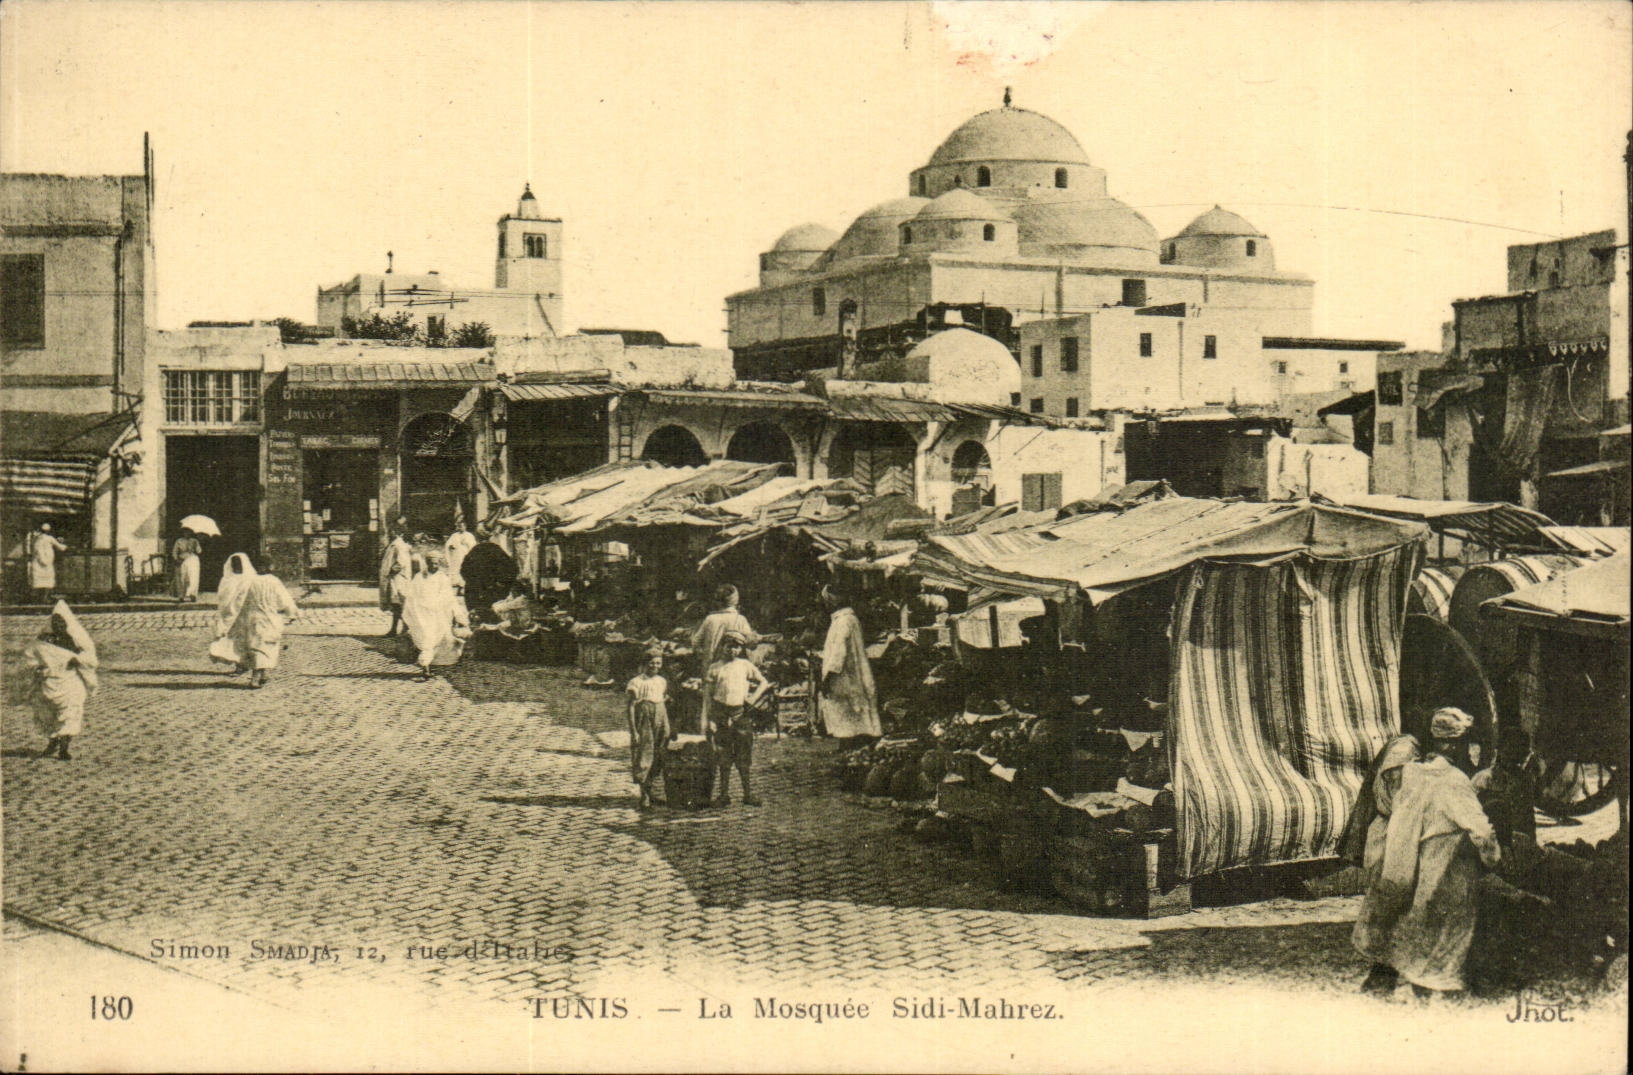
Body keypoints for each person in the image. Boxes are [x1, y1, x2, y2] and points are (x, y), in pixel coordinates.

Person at [1352, 708, 1501, 997]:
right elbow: (1481, 831)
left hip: (1411, 865)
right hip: (1447, 872)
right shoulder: (1455, 781)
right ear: (1454, 745)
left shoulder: (1412, 773)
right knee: (1443, 945)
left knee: (1409, 930)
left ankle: (1386, 986)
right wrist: (1492, 859)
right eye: (1465, 742)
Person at [1340, 733, 1423, 994]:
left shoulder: (1410, 747)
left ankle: (1391, 972)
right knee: (1394, 901)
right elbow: (1398, 797)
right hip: (1393, 834)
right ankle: (1383, 974)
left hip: (1398, 831)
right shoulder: (1404, 750)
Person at [25, 601, 98, 761]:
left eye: (61, 622)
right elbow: (30, 658)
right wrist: (38, 669)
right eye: (55, 621)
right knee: (47, 715)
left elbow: (91, 659)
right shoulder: (43, 641)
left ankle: (64, 748)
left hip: (70, 683)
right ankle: (52, 742)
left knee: (70, 713)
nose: (58, 625)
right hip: (48, 683)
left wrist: (78, 660)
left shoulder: (76, 640)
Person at [702, 630, 768, 807]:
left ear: (741, 649)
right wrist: (709, 719)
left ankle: (748, 795)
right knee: (723, 757)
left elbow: (763, 682)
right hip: (721, 715)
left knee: (743, 758)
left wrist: (753, 698)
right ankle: (724, 795)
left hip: (741, 715)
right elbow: (708, 696)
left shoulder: (745, 665)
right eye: (729, 646)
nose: (733, 651)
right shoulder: (715, 668)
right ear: (722, 646)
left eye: (737, 647)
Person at [218, 552, 301, 688]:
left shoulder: (248, 581)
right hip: (268, 617)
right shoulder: (274, 581)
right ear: (269, 566)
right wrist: (291, 612)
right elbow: (284, 599)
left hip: (251, 617)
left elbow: (239, 600)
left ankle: (262, 675)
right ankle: (255, 677)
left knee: (254, 645)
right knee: (265, 646)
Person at [817, 586, 882, 744]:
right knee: (854, 713)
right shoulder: (847, 619)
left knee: (848, 714)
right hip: (851, 674)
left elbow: (839, 652)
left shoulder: (844, 622)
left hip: (844, 676)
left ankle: (850, 745)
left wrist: (828, 676)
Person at [400, 553, 470, 681]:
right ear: (426, 563)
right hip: (422, 613)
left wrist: (457, 614)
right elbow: (411, 596)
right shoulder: (419, 577)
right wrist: (410, 614)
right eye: (431, 563)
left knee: (438, 639)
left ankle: (430, 664)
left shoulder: (442, 578)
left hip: (438, 614)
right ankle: (425, 668)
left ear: (439, 564)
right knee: (427, 638)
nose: (434, 566)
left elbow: (449, 597)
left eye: (436, 563)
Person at [625, 646, 672, 810]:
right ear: (645, 664)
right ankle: (643, 794)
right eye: (652, 663)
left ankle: (651, 790)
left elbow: (662, 703)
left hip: (660, 716)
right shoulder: (636, 682)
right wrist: (634, 731)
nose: (655, 667)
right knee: (644, 754)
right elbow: (630, 707)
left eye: (658, 664)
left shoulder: (661, 681)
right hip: (644, 718)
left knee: (659, 753)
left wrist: (667, 726)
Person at [459, 525, 518, 624]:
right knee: (493, 619)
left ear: (477, 538)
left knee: (477, 619)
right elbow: (513, 569)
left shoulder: (474, 551)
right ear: (490, 537)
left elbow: (464, 571)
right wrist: (503, 585)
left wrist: (474, 583)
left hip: (475, 593)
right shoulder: (497, 550)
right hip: (495, 593)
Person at [210, 552, 257, 674]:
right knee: (231, 642)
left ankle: (244, 665)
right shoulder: (227, 580)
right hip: (229, 615)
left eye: (239, 565)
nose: (236, 568)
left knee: (243, 642)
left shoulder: (250, 579)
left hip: (244, 614)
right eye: (234, 565)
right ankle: (239, 665)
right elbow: (222, 598)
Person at [378, 526, 414, 637]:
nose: (391, 533)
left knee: (401, 604)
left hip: (398, 579)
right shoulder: (393, 544)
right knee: (396, 605)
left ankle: (406, 628)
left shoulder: (399, 545)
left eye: (394, 531)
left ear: (400, 533)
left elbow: (401, 562)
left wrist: (390, 572)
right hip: (394, 579)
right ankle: (394, 629)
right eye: (391, 531)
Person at [27, 522, 68, 603]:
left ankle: (38, 598)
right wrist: (65, 545)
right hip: (47, 563)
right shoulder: (50, 538)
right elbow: (61, 547)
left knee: (38, 581)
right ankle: (45, 598)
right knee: (47, 580)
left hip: (37, 562)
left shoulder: (36, 539)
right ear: (48, 531)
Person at [445, 521, 478, 594]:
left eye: (462, 526)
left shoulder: (469, 536)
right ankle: (455, 586)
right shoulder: (454, 535)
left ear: (465, 527)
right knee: (456, 570)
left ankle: (462, 588)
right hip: (456, 557)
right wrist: (451, 546)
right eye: (459, 526)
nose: (460, 528)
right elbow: (448, 544)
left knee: (464, 570)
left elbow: (473, 546)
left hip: (465, 555)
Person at [171, 529, 202, 603]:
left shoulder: (194, 541)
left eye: (189, 532)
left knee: (193, 577)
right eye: (185, 532)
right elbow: (174, 552)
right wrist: (176, 559)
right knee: (183, 578)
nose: (187, 534)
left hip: (192, 560)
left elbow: (199, 551)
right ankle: (181, 596)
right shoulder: (179, 541)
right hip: (182, 561)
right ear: (183, 533)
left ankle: (193, 595)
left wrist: (196, 545)